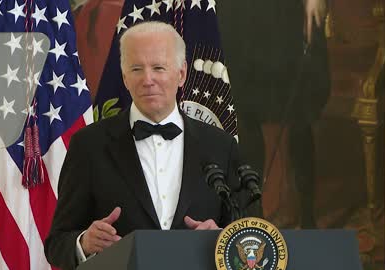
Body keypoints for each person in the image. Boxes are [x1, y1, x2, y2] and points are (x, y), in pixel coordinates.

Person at [44, 21, 241, 270]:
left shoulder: (220, 145)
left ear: (181, 74)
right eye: (137, 69)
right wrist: (83, 243)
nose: (148, 79)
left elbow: (252, 235)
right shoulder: (89, 145)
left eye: (158, 67)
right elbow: (57, 243)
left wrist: (222, 237)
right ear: (125, 77)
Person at [216, 0, 330, 228]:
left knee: (300, 113)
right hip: (236, 16)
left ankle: (307, 216)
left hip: (285, 14)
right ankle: (252, 215)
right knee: (244, 116)